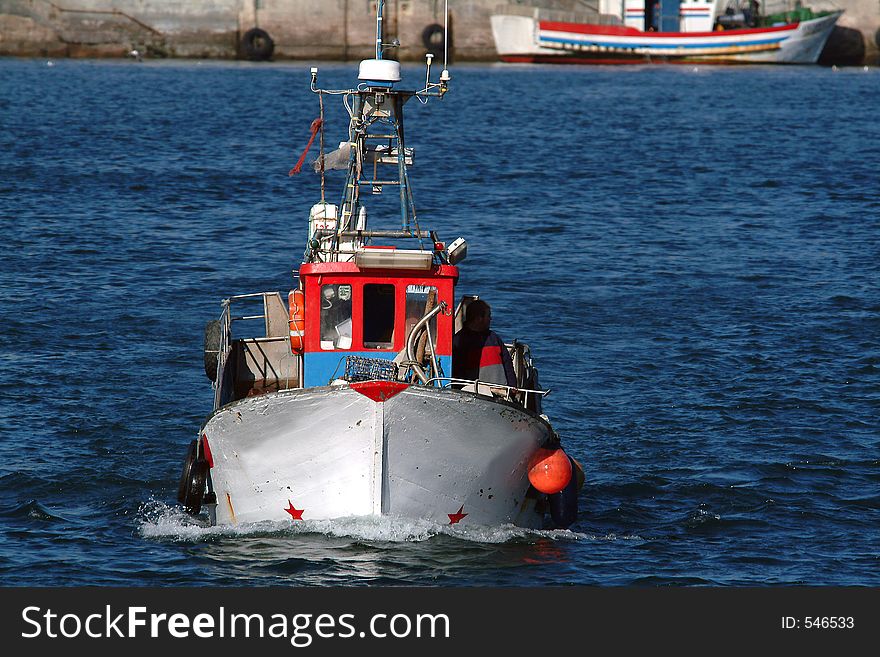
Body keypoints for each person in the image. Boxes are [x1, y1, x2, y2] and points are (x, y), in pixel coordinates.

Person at [452, 300, 517, 387]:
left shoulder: (494, 338)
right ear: (479, 318)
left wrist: (512, 387)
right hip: (472, 392)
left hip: (500, 393)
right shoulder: (460, 341)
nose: (490, 319)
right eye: (488, 315)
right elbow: (456, 371)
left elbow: (507, 365)